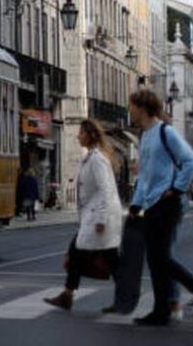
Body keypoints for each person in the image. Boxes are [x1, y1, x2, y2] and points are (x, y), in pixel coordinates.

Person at [126, 89, 193, 328]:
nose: (130, 110)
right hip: (151, 203)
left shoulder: (164, 132)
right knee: (156, 260)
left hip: (167, 203)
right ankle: (162, 310)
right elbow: (146, 174)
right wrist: (136, 204)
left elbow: (190, 161)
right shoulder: (145, 135)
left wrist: (176, 189)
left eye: (132, 106)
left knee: (161, 257)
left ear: (142, 107)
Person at [45, 120, 123, 311]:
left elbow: (105, 189)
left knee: (80, 252)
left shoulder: (96, 159)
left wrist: (101, 219)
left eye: (80, 133)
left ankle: (68, 295)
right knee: (106, 258)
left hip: (100, 216)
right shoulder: (91, 157)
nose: (77, 136)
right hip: (95, 215)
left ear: (88, 135)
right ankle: (69, 295)